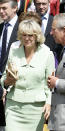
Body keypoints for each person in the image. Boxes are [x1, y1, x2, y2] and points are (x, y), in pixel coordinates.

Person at [0, 19, 55, 131]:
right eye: (24, 35)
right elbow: (4, 79)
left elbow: (49, 84)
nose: (26, 38)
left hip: (36, 109)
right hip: (13, 107)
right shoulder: (14, 50)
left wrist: (49, 103)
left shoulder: (47, 53)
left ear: (37, 36)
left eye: (30, 35)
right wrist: (7, 82)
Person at [0, 0, 18, 130]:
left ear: (15, 8)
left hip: (14, 84)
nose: (1, 12)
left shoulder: (23, 29)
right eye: (0, 8)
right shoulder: (0, 28)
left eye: (4, 8)